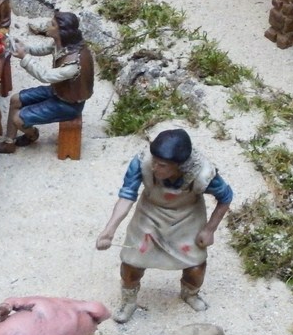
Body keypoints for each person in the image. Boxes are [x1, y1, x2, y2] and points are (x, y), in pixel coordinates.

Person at [95, 129, 233, 323]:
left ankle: (190, 294)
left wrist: (210, 229)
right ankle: (129, 300)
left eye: (162, 165)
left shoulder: (203, 173)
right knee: (132, 262)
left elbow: (225, 198)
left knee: (195, 266)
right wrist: (109, 230)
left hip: (187, 219)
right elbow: (127, 195)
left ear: (179, 166)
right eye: (155, 161)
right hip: (149, 216)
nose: (154, 167)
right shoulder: (142, 162)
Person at [0, 10, 94, 154]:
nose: (48, 25)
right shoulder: (61, 44)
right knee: (15, 100)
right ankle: (9, 143)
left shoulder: (73, 63)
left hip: (69, 104)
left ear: (61, 31)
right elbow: (42, 49)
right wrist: (24, 48)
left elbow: (46, 76)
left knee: (18, 119)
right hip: (57, 91)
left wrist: (24, 57)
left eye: (52, 24)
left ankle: (32, 134)